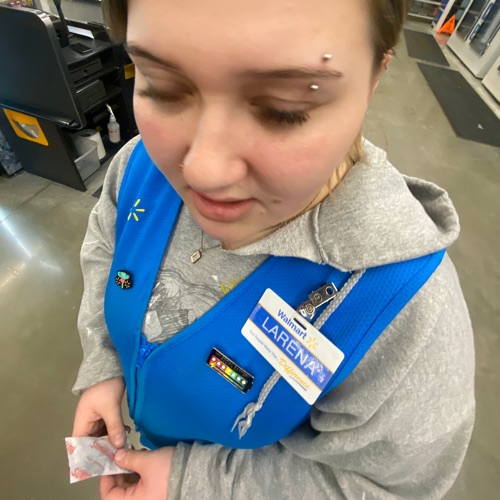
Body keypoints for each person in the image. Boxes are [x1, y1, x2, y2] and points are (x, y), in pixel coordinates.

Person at [71, 0, 475, 498]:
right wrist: (104, 365)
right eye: (162, 86)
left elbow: (386, 486)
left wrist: (192, 484)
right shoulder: (139, 169)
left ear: (375, 76)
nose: (203, 172)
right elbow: (107, 245)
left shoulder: (406, 310)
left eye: (285, 108)